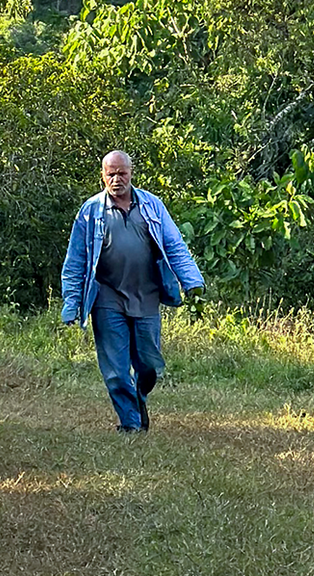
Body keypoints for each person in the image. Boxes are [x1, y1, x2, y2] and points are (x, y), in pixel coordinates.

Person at [60, 150, 204, 432]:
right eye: (110, 174)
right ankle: (131, 424)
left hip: (147, 295)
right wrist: (72, 301)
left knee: (149, 364)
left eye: (121, 173)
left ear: (131, 173)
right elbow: (75, 260)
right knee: (115, 369)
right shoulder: (90, 212)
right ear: (102, 175)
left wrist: (191, 282)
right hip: (107, 297)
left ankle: (139, 399)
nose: (116, 179)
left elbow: (174, 246)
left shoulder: (151, 205)